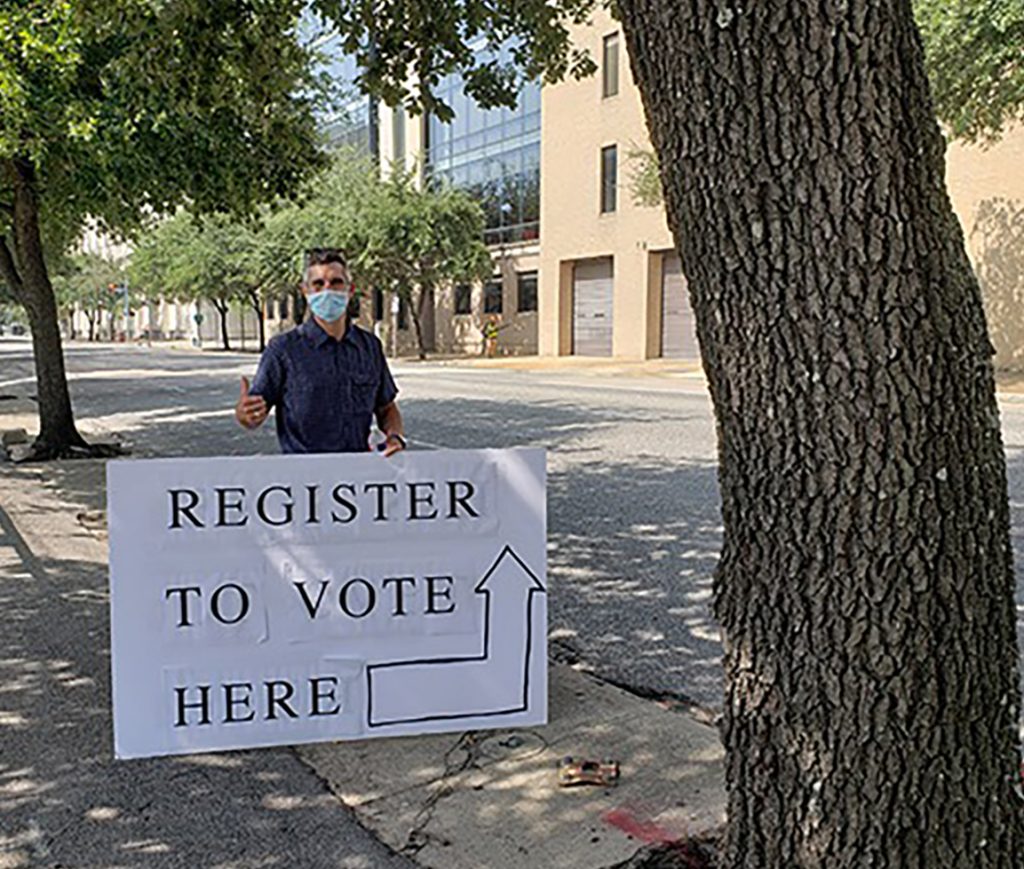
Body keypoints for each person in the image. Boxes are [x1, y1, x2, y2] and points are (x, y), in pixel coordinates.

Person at [235, 248, 406, 457]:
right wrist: (245, 414)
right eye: (318, 284)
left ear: (350, 290)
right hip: (304, 479)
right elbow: (253, 413)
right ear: (305, 291)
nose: (327, 290)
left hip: (360, 476)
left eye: (336, 282)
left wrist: (394, 437)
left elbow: (386, 408)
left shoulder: (369, 347)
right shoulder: (283, 350)